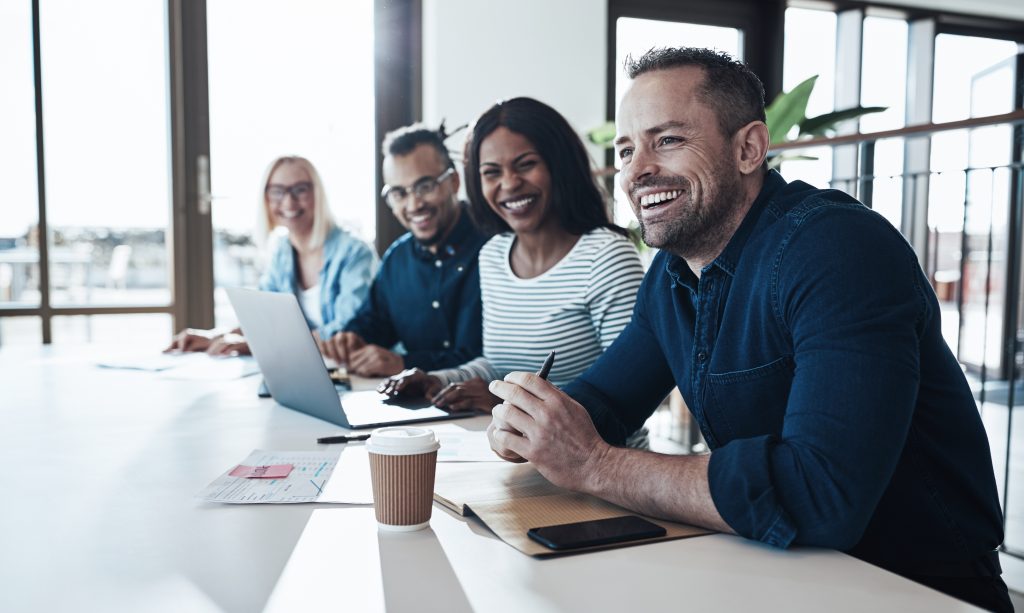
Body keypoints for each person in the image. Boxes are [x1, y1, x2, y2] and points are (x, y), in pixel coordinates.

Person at [486, 48, 1010, 612]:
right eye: (626, 149)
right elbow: (605, 401)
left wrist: (595, 464)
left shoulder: (836, 248)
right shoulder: (671, 272)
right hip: (773, 574)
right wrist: (533, 421)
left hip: (914, 589)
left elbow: (821, 494)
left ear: (749, 148)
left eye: (667, 140)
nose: (636, 171)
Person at [379, 97, 644, 416]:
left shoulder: (606, 256)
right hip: (508, 453)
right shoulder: (493, 255)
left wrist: (508, 402)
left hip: (594, 461)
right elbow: (496, 366)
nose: (509, 184)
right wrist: (435, 379)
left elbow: (628, 391)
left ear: (557, 164)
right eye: (492, 172)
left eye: (525, 165)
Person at [319, 123, 488, 376]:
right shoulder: (397, 259)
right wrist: (352, 338)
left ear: (453, 182)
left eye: (425, 186)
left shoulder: (495, 249)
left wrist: (404, 364)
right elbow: (375, 322)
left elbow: (487, 358)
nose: (414, 204)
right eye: (399, 193)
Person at [166, 155, 376, 355]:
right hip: (305, 368)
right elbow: (264, 320)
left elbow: (345, 333)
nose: (288, 202)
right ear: (265, 198)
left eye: (300, 190)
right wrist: (214, 337)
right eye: (277, 191)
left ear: (318, 194)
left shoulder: (354, 252)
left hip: (355, 372)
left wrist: (256, 345)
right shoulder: (282, 251)